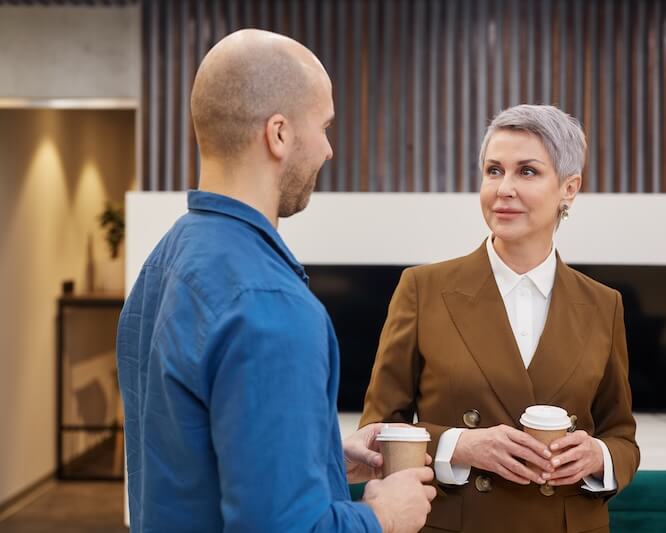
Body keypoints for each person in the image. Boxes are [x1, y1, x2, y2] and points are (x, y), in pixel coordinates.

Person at [116, 29, 435, 533]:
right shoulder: (273, 306)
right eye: (325, 126)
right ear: (279, 133)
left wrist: (323, 456)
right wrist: (383, 517)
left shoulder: (164, 261)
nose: (329, 150)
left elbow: (196, 459)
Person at [360, 104, 639, 532]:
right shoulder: (423, 288)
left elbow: (621, 435)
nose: (503, 188)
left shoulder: (604, 304)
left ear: (569, 188)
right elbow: (378, 431)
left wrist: (598, 457)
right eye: (493, 171)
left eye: (527, 172)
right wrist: (461, 444)